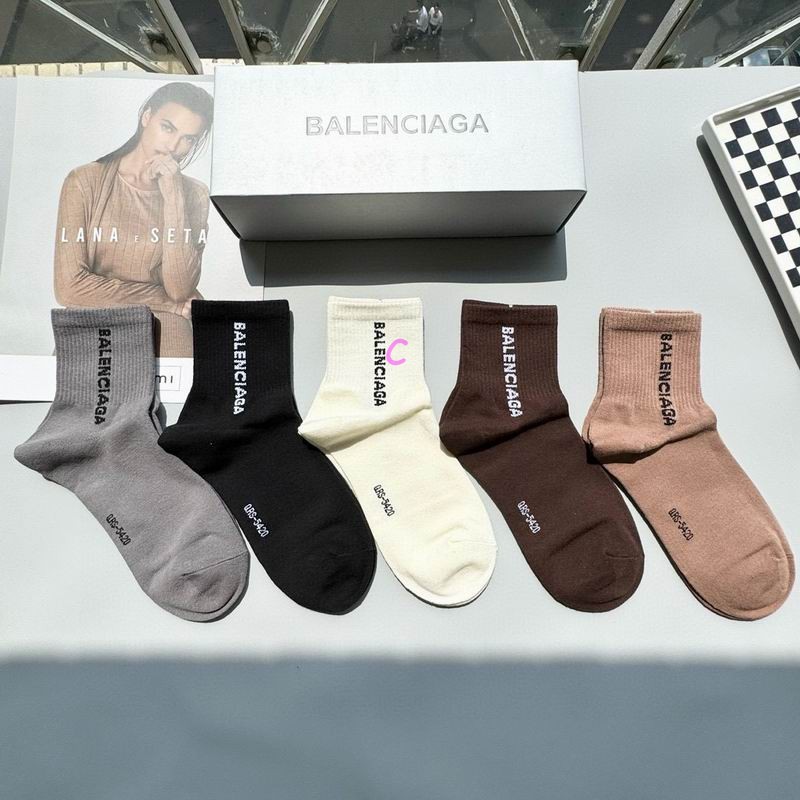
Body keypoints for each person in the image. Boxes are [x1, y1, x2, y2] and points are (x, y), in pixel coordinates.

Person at [54, 82, 213, 357]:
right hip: (95, 324)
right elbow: (69, 288)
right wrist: (162, 299)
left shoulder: (195, 194)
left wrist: (174, 195)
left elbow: (179, 289)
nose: (173, 147)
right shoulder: (84, 181)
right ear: (146, 116)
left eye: (188, 139)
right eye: (168, 128)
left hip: (169, 332)